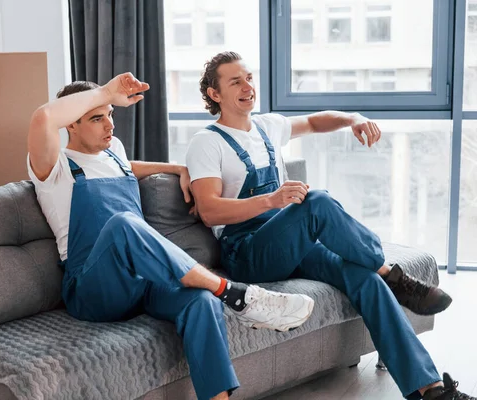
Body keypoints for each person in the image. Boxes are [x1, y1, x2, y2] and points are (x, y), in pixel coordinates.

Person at [185, 51, 472, 400]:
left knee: (364, 279)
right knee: (316, 201)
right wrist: (272, 200)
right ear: (215, 94)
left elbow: (317, 121)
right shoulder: (207, 142)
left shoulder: (267, 126)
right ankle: (390, 273)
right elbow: (210, 211)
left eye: (249, 78)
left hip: (290, 242)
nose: (248, 86)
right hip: (248, 252)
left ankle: (429, 390)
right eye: (235, 82)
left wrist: (353, 118)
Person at [26, 72, 316, 400]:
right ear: (71, 125)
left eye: (110, 114)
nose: (109, 125)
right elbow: (43, 117)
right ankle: (232, 292)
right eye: (96, 118)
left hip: (141, 283)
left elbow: (126, 167)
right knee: (124, 224)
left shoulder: (114, 151)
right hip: (93, 288)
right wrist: (105, 92)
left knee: (201, 302)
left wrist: (177, 168)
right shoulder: (54, 167)